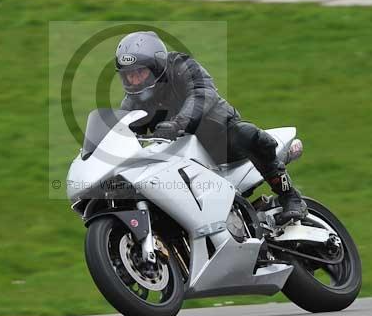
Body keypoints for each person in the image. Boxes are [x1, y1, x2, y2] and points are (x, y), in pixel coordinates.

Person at [115, 31, 308, 223]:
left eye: (140, 72)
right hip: (181, 157)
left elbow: (202, 93)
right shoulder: (133, 102)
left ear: (156, 67)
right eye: (129, 75)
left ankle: (290, 196)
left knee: (244, 134)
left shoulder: (181, 66)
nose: (135, 80)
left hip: (220, 141)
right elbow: (122, 134)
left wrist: (178, 123)